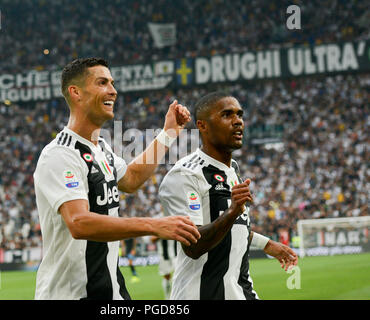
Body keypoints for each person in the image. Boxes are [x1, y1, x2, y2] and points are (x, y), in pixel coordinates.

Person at [33, 57, 200, 300]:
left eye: (112, 83)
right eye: (102, 83)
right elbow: (79, 223)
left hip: (113, 293)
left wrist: (169, 132)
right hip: (70, 294)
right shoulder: (60, 154)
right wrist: (153, 225)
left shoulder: (100, 148)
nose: (113, 90)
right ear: (75, 92)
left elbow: (131, 179)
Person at [159, 91, 298, 300]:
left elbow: (232, 228)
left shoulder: (232, 168)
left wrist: (268, 245)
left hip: (241, 292)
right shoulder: (185, 174)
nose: (238, 122)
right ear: (202, 125)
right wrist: (233, 210)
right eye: (227, 115)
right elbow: (193, 246)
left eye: (240, 115)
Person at [150, 233, 177, 299]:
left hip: (176, 255)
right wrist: (162, 233)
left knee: (178, 276)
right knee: (166, 276)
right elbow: (152, 239)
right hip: (164, 255)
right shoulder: (160, 223)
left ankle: (177, 296)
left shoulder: (177, 222)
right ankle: (167, 298)